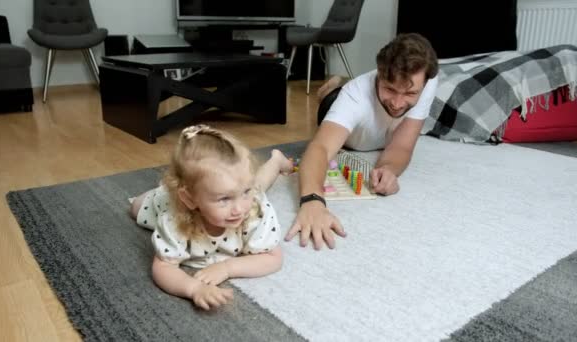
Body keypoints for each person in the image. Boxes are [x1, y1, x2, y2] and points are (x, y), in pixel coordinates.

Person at [285, 33, 439, 250]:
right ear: (379, 73)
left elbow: (402, 145)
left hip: (376, 131)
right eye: (390, 89)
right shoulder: (354, 96)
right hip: (344, 121)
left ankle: (333, 86)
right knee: (330, 101)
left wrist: (388, 169)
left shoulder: (427, 83)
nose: (397, 103)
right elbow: (319, 148)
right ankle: (328, 90)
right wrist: (312, 200)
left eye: (410, 93)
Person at [130, 125, 294, 310]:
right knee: (136, 207)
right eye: (224, 199)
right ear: (190, 200)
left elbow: (273, 258)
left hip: (241, 188)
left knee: (259, 185)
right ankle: (168, 187)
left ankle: (276, 161)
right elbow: (163, 267)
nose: (239, 209)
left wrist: (228, 268)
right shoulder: (175, 219)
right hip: (170, 201)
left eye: (245, 192)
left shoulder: (253, 209)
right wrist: (194, 289)